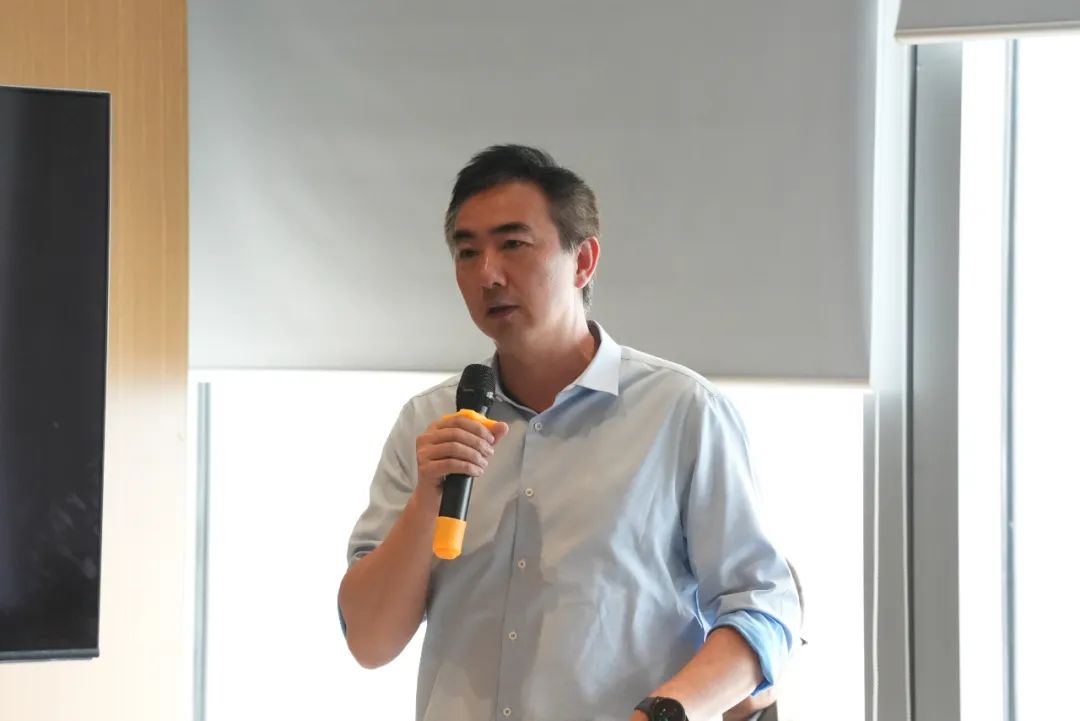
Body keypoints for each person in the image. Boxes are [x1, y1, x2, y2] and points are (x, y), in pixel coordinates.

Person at [338, 145, 801, 721]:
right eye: (467, 252)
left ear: (582, 261)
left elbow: (763, 610)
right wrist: (425, 503)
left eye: (513, 244)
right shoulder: (428, 423)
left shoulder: (681, 412)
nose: (487, 274)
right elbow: (369, 642)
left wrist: (662, 714)